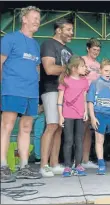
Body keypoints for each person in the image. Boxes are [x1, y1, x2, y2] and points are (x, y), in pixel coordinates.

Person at [1, 6, 43, 183]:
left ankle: (24, 166)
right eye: (34, 17)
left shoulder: (35, 44)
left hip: (31, 92)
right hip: (12, 89)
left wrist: (38, 94)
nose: (37, 21)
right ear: (24, 19)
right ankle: (2, 166)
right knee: (7, 126)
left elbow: (37, 69)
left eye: (38, 19)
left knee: (26, 128)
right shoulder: (10, 39)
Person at [39, 18, 74, 177]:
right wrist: (70, 68)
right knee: (52, 125)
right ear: (58, 30)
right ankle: (43, 165)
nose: (71, 33)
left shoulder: (69, 50)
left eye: (72, 30)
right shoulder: (48, 44)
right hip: (51, 89)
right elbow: (49, 69)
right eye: (68, 30)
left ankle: (54, 164)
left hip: (65, 92)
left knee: (60, 127)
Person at [57, 55, 89, 177]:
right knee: (68, 140)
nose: (85, 68)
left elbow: (84, 97)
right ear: (75, 68)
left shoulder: (84, 81)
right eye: (82, 66)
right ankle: (67, 166)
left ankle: (78, 165)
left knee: (79, 140)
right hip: (68, 114)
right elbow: (60, 99)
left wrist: (85, 111)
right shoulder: (65, 80)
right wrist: (60, 115)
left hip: (80, 114)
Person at [81, 38, 101, 169]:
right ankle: (76, 160)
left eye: (98, 50)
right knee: (80, 129)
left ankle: (85, 160)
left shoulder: (99, 65)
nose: (96, 52)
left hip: (94, 99)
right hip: (81, 97)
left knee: (88, 129)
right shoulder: (82, 60)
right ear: (88, 48)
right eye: (94, 49)